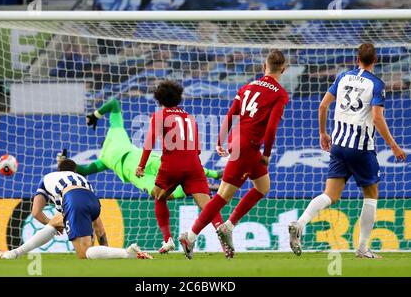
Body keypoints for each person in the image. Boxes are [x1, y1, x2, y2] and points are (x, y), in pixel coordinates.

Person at [288, 43, 407, 259]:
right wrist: (393, 145)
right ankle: (362, 248)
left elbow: (323, 106)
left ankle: (300, 223)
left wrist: (323, 133)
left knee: (330, 194)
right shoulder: (377, 84)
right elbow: (378, 118)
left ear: (357, 59)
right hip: (361, 147)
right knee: (371, 195)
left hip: (338, 145)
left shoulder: (343, 77)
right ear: (376, 59)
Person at [179, 50, 289, 259]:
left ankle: (228, 226)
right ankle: (191, 236)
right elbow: (272, 128)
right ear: (283, 70)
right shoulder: (279, 94)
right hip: (249, 147)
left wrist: (220, 140)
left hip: (240, 142)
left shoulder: (247, 87)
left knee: (263, 187)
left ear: (264, 67)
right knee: (223, 196)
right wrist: (267, 154)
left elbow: (231, 115)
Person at [80, 97, 222, 254]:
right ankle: (212, 176)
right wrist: (96, 115)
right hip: (147, 158)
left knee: (160, 195)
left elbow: (84, 170)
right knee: (183, 166)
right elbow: (114, 103)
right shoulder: (117, 132)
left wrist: (65, 164)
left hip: (138, 173)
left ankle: (168, 239)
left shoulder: (104, 160)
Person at [135, 80, 227, 256]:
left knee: (159, 197)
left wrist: (141, 165)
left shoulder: (159, 115)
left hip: (171, 166)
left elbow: (149, 143)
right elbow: (198, 148)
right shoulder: (190, 118)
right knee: (208, 207)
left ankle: (168, 240)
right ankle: (224, 242)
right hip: (194, 165)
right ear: (178, 98)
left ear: (159, 99)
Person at [0, 159, 152, 260]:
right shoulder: (82, 179)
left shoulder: (49, 177)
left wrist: (52, 224)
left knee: (84, 254)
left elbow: (36, 212)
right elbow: (100, 229)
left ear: (59, 170)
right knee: (57, 223)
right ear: (75, 171)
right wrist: (107, 251)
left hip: (72, 198)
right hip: (92, 199)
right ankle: (14, 254)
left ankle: (127, 253)